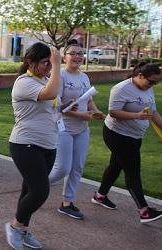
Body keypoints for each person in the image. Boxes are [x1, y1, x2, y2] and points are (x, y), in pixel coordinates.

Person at [91, 62, 162, 223]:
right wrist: (136, 116)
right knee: (132, 171)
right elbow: (113, 112)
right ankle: (144, 211)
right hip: (117, 135)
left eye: (156, 82)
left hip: (134, 136)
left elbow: (152, 111)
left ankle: (100, 196)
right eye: (151, 81)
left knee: (116, 165)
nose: (153, 85)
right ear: (139, 76)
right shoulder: (121, 89)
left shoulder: (147, 88)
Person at [4, 42, 61, 250]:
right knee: (40, 191)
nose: (49, 66)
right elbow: (51, 94)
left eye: (50, 62)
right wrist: (57, 65)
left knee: (28, 189)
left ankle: (24, 229)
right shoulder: (24, 82)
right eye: (45, 62)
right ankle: (15, 226)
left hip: (48, 144)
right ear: (30, 61)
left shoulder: (45, 80)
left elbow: (54, 105)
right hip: (26, 143)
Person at [48, 42, 104, 220]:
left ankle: (67, 202)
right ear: (65, 56)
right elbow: (56, 106)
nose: (78, 57)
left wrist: (95, 112)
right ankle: (35, 185)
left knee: (77, 167)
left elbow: (87, 100)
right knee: (62, 168)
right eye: (73, 54)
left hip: (82, 129)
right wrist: (81, 115)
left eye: (81, 54)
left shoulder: (84, 77)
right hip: (63, 128)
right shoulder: (59, 76)